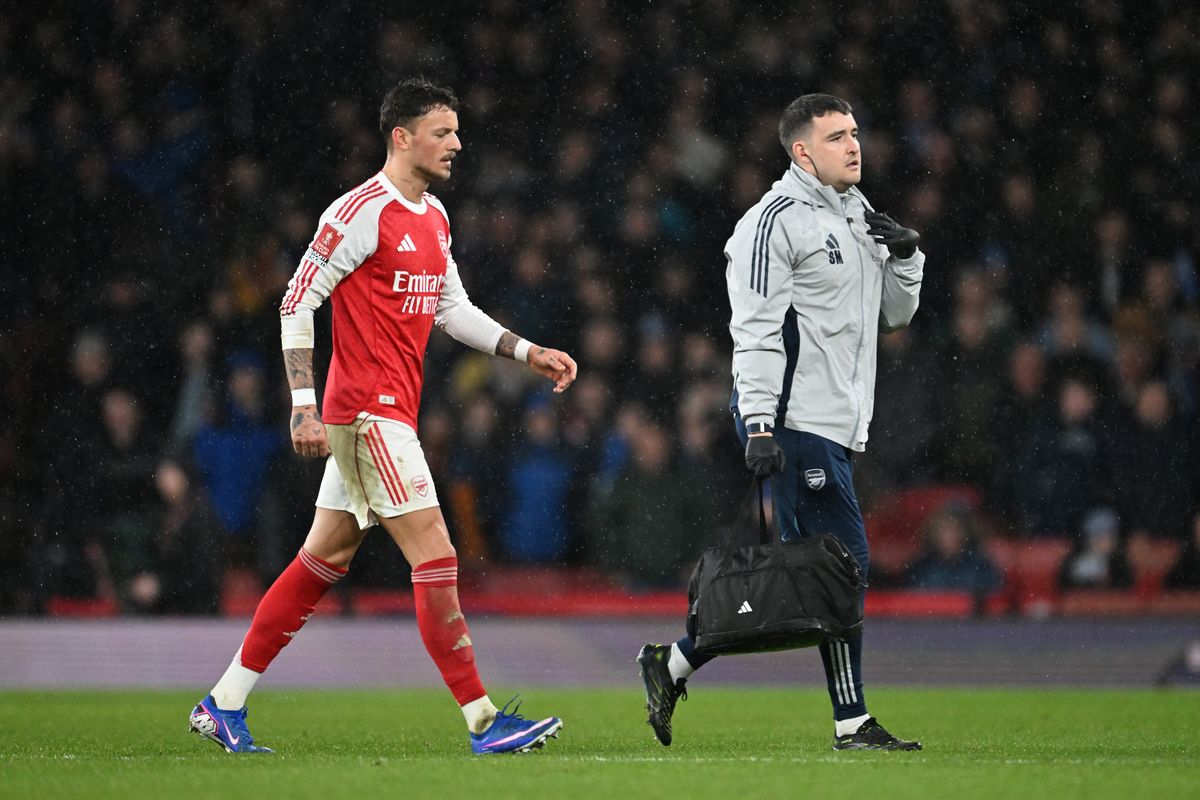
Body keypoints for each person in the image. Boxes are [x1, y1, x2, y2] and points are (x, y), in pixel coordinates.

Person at [188, 79, 576, 756]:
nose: (457, 143)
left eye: (457, 131)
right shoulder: (361, 212)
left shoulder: (434, 217)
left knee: (320, 560)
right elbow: (295, 301)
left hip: (386, 415)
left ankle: (222, 702)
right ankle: (485, 723)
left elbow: (451, 309)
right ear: (402, 137)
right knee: (436, 553)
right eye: (443, 131)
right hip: (367, 416)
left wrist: (526, 351)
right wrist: (303, 408)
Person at [638, 93, 924, 751]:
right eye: (836, 137)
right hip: (791, 418)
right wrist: (761, 422)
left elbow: (895, 316)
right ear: (801, 152)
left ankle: (673, 664)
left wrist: (907, 259)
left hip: (833, 422)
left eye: (855, 132)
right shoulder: (771, 223)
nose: (854, 145)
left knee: (814, 574)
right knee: (840, 564)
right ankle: (851, 722)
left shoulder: (857, 217)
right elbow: (757, 331)